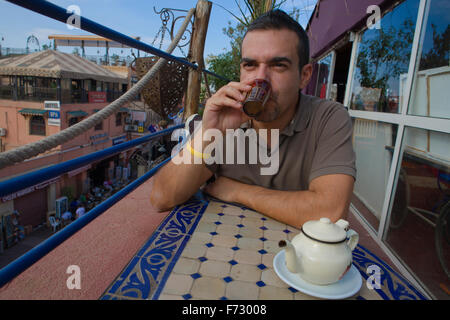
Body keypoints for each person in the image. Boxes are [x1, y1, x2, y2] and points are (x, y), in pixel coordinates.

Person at [150, 10, 355, 229]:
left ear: (304, 76)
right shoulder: (224, 117)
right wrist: (208, 133)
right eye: (250, 65)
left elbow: (330, 214)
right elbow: (161, 198)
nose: (260, 78)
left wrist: (236, 191)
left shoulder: (328, 118)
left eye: (278, 66)